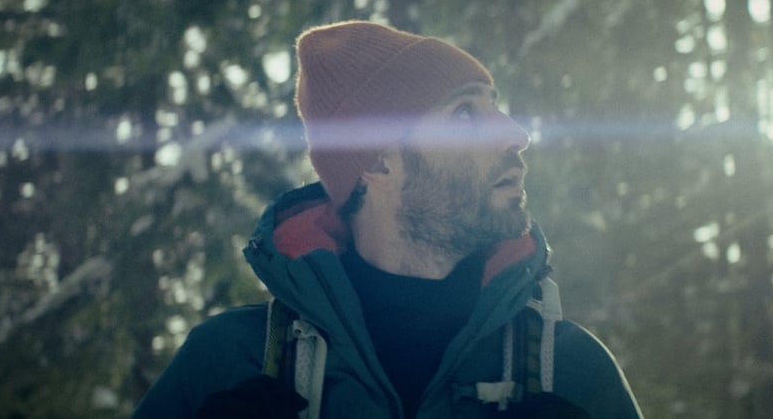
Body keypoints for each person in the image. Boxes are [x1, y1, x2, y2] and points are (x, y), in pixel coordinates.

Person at [133, 21, 643, 418]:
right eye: (465, 114)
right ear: (378, 161)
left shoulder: (568, 370)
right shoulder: (229, 363)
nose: (514, 134)